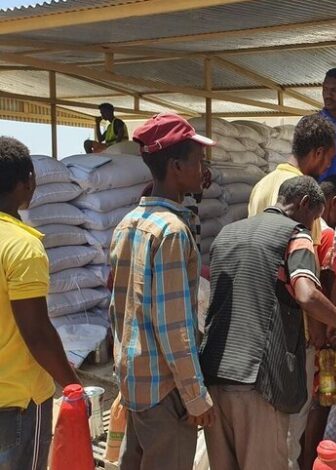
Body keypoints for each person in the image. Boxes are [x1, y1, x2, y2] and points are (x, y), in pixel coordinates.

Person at [199, 176, 336, 469]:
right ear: (304, 205)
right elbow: (306, 293)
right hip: (258, 381)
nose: (313, 226)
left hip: (214, 374)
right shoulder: (296, 235)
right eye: (314, 218)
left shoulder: (227, 234)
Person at [109, 113, 215, 469]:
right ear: (175, 166)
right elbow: (174, 328)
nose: (203, 169)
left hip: (135, 381)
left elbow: (117, 310)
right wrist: (196, 397)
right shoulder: (171, 232)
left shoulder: (128, 224)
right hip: (163, 389)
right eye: (198, 161)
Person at [247, 114, 336, 469]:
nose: (328, 167)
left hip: (258, 322)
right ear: (316, 153)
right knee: (290, 425)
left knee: (264, 421)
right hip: (291, 334)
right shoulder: (305, 196)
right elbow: (305, 278)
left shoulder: (262, 185)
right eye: (328, 159)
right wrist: (318, 331)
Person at [0, 137, 81, 470]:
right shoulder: (22, 246)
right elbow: (37, 333)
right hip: (18, 403)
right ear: (26, 182)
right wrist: (72, 382)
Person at [300, 174, 336, 470]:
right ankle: (312, 461)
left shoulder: (303, 232)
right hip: (323, 333)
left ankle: (301, 458)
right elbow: (328, 283)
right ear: (334, 204)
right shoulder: (329, 235)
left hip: (304, 331)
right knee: (320, 403)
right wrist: (331, 328)